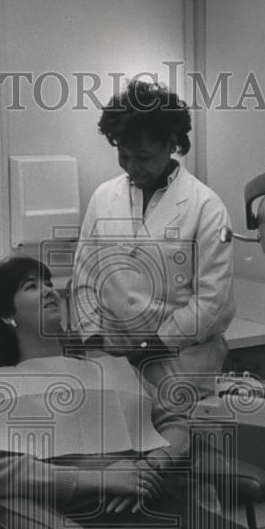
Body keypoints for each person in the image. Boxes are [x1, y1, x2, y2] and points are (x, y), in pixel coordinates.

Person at [0, 256, 265, 529]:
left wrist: (152, 464)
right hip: (95, 520)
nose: (49, 290)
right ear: (7, 316)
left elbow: (173, 423)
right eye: (31, 286)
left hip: (154, 498)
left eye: (48, 282)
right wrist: (100, 479)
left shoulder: (105, 366)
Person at [72, 79, 235, 404]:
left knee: (182, 449)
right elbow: (84, 279)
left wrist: (147, 348)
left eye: (143, 157)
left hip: (181, 366)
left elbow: (212, 303)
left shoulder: (205, 206)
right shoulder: (104, 197)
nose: (133, 167)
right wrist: (92, 340)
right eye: (124, 155)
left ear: (170, 143)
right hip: (113, 366)